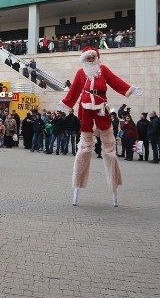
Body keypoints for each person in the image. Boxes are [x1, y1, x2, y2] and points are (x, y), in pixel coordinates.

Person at [59, 46, 143, 206]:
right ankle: (78, 182)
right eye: (88, 57)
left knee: (109, 147)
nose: (90, 59)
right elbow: (74, 90)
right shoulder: (80, 72)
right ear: (84, 59)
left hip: (101, 110)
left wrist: (130, 89)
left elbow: (115, 81)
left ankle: (113, 181)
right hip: (85, 109)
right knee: (84, 147)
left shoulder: (103, 69)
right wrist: (65, 104)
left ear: (96, 57)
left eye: (92, 57)